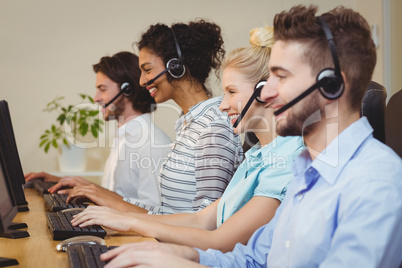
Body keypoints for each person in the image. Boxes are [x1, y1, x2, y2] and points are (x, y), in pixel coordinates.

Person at [95, 5, 402, 268]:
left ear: (332, 84)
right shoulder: (307, 170)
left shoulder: (375, 183)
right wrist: (168, 253)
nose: (266, 92)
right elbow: (252, 260)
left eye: (281, 77)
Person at [70, 26, 304, 252]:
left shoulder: (280, 159)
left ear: (266, 90)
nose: (222, 105)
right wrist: (119, 214)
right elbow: (199, 220)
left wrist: (129, 221)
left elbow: (217, 238)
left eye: (231, 92)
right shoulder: (255, 157)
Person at [52, 19, 244, 215]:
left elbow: (206, 224)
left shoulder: (213, 127)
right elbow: (166, 212)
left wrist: (116, 211)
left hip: (183, 245)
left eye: (147, 70)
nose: (142, 81)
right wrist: (101, 196)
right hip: (170, 240)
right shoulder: (189, 125)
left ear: (175, 66)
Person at [25, 51, 171, 210]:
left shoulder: (150, 143)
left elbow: (153, 213)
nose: (96, 98)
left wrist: (93, 190)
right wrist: (59, 182)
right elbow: (116, 196)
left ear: (127, 90)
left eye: (102, 89)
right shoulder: (125, 137)